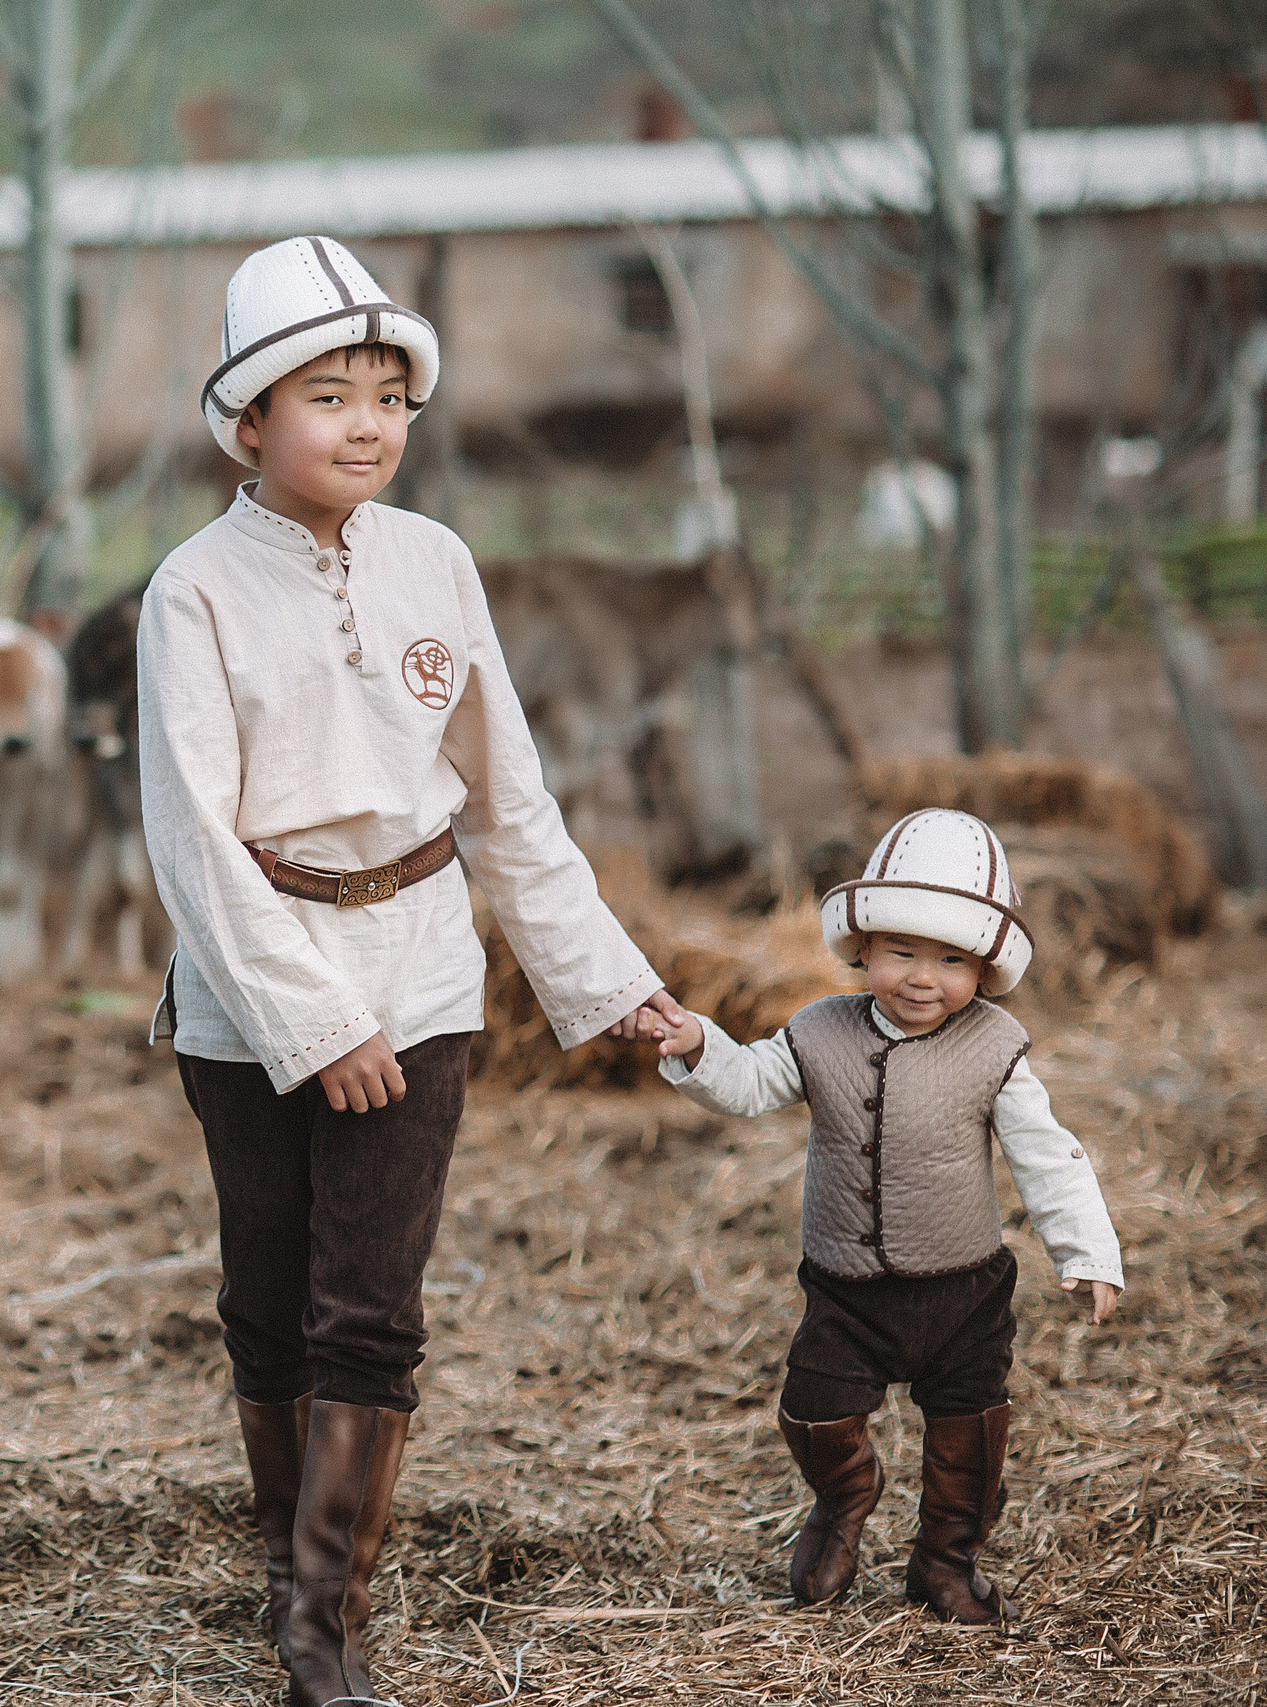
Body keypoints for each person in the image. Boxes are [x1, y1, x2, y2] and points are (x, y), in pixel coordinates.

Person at [138, 235, 686, 1707]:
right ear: (250, 419)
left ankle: (325, 1620)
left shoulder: (436, 561)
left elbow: (508, 799)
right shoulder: (192, 592)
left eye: (392, 394)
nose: (370, 422)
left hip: (423, 962)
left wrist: (607, 978)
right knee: (269, 1295)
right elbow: (189, 838)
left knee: (370, 1304)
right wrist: (310, 1019)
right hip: (248, 984)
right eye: (331, 394)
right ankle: (283, 1558)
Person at [651, 807, 1124, 1623]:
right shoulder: (818, 1031)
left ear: (985, 966)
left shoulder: (994, 1047)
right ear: (862, 945)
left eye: (950, 960)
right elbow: (747, 1083)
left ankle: (945, 1562)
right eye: (901, 951)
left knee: (969, 1436)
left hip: (964, 1291)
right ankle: (843, 1498)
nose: (921, 977)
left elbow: (1046, 1153)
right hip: (846, 1289)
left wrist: (1088, 1251)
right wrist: (698, 1043)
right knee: (812, 1408)